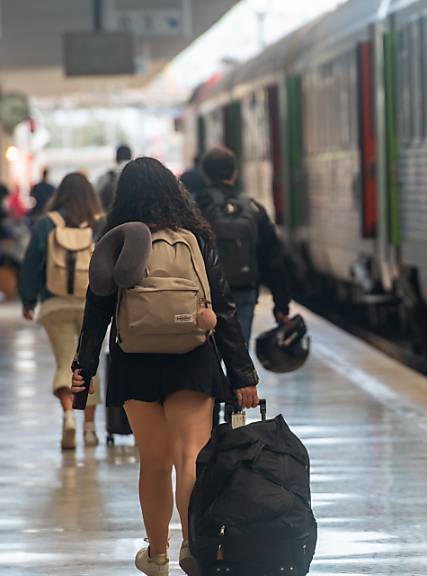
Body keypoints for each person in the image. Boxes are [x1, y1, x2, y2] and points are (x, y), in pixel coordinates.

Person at [71, 157, 259, 575]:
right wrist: (243, 376)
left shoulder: (116, 239)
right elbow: (224, 310)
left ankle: (156, 555)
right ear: (173, 192)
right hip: (191, 358)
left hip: (135, 361)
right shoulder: (195, 237)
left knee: (153, 461)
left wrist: (83, 368)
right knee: (190, 456)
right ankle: (193, 547)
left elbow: (96, 309)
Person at [18, 172, 104, 449]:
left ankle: (68, 416)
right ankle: (90, 429)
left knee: (64, 362)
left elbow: (31, 264)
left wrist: (28, 300)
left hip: (55, 304)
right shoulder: (99, 223)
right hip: (93, 304)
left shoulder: (46, 224)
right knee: (88, 364)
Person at [194, 147, 291, 342]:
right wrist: (281, 306)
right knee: (238, 354)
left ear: (205, 174)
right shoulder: (252, 207)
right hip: (243, 290)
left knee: (206, 356)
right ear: (234, 173)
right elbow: (274, 258)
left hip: (205, 294)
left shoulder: (194, 207)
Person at [95, 144, 132, 211]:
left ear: (116, 158)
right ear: (131, 156)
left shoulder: (106, 176)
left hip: (112, 218)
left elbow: (96, 196)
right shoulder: (139, 175)